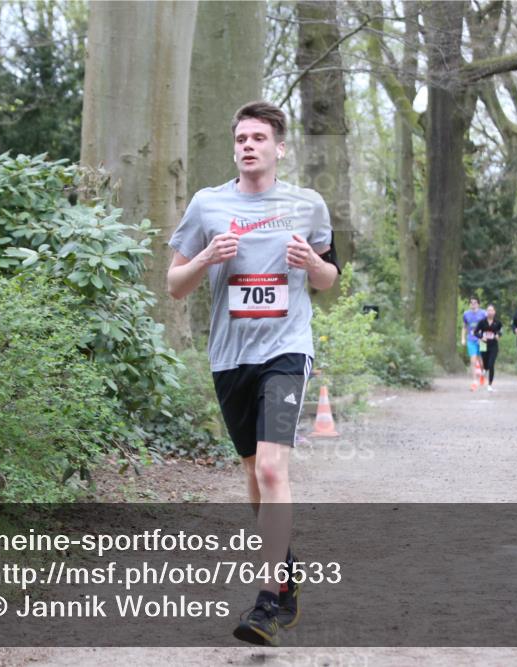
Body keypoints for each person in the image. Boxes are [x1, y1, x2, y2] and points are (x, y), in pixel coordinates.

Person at [166, 101, 340, 646]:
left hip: (286, 350)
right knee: (253, 474)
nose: (248, 145)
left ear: (279, 147)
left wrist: (311, 266)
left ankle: (266, 603)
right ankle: (286, 574)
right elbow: (175, 284)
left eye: (259, 137)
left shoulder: (306, 205)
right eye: (241, 137)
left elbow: (330, 277)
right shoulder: (208, 205)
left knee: (270, 470)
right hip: (229, 356)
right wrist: (206, 259)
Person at [474, 304, 503, 391]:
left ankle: (490, 385)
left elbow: (501, 331)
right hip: (483, 344)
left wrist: (498, 335)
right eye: (488, 310)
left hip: (493, 345)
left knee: (491, 365)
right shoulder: (482, 322)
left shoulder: (498, 322)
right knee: (485, 364)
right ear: (486, 312)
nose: (490, 312)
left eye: (491, 310)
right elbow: (475, 332)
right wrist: (481, 336)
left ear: (494, 312)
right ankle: (484, 371)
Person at [461, 297, 488, 390]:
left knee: (482, 361)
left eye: (475, 303)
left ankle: (482, 375)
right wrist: (463, 339)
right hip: (471, 340)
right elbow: (464, 327)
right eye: (471, 303)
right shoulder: (466, 314)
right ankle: (474, 380)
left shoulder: (484, 313)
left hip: (482, 340)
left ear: (478, 304)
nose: (473, 304)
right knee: (473, 360)